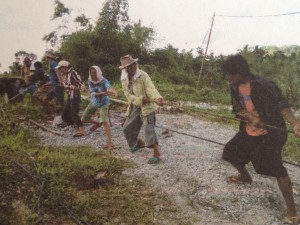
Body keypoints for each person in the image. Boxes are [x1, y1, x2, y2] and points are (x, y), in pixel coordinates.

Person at [221, 54, 300, 225]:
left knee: (275, 167)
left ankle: (292, 210)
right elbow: (237, 108)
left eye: (231, 74)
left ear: (240, 72)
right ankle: (245, 177)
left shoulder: (265, 85)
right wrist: (249, 116)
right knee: (230, 152)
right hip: (248, 130)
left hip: (270, 134)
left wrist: (295, 124)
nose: (229, 78)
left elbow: (282, 106)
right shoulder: (234, 87)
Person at [119, 55, 164, 164]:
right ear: (125, 69)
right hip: (135, 104)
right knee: (127, 128)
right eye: (128, 67)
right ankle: (138, 143)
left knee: (149, 129)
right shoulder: (124, 79)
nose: (132, 67)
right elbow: (128, 95)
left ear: (135, 64)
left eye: (133, 65)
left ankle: (156, 154)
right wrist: (140, 99)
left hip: (148, 106)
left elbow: (150, 87)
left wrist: (157, 98)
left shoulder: (143, 75)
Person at [81, 65, 118, 149]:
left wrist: (114, 92)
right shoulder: (90, 81)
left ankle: (109, 143)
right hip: (94, 102)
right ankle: (97, 123)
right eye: (91, 73)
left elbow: (109, 88)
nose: (93, 74)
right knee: (84, 119)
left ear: (98, 72)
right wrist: (102, 93)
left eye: (95, 72)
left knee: (105, 122)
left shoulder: (104, 80)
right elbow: (93, 93)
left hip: (103, 103)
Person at [55, 60, 86, 137]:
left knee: (74, 113)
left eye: (61, 68)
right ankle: (74, 124)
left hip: (75, 96)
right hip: (70, 95)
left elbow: (80, 81)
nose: (60, 70)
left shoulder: (72, 73)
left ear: (65, 67)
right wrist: (69, 86)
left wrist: (81, 86)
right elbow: (64, 85)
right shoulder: (64, 75)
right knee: (64, 114)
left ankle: (81, 130)